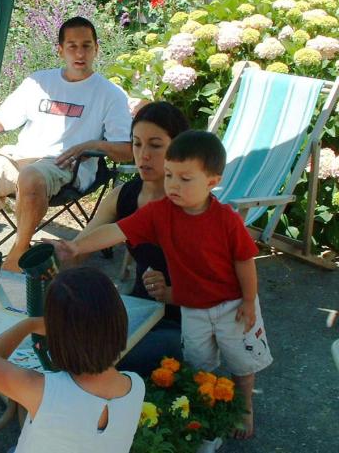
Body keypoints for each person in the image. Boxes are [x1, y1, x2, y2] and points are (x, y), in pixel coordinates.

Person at [52, 130, 273, 439]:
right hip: (191, 307)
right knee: (199, 363)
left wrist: (249, 301)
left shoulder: (226, 220)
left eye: (185, 179)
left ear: (212, 182)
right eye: (169, 175)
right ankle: (205, 408)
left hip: (232, 305)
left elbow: (244, 262)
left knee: (241, 359)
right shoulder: (159, 213)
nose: (173, 185)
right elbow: (117, 230)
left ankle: (245, 404)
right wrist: (78, 247)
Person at [0, 16, 132, 285]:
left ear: (96, 48)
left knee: (31, 177)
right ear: (60, 49)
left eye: (86, 46)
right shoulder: (38, 81)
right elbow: (6, 117)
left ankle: (17, 256)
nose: (80, 53)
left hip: (67, 164)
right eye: (72, 46)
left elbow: (126, 151)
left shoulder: (110, 94)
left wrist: (92, 144)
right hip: (20, 154)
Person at [71, 101, 189, 376]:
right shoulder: (123, 196)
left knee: (95, 361)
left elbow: (218, 288)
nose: (143, 155)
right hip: (138, 311)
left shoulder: (193, 206)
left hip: (185, 324)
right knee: (66, 342)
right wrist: (51, 266)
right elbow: (78, 249)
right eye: (137, 144)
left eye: (155, 145)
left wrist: (171, 293)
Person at [0, 267, 145, 453]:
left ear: (56, 336)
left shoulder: (43, 391)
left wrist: (29, 324)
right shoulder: (136, 385)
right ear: (118, 321)